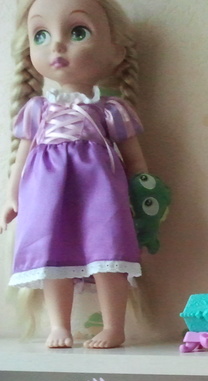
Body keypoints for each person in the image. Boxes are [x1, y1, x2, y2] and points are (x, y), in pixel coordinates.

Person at [1, 0, 146, 348]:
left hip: (100, 193)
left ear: (115, 52)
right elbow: (21, 158)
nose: (57, 45)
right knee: (51, 254)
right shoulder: (36, 109)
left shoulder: (110, 109)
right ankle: (59, 326)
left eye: (78, 32)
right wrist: (11, 196)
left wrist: (144, 191)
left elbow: (135, 160)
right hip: (45, 194)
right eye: (41, 35)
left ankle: (114, 326)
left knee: (108, 253)